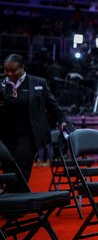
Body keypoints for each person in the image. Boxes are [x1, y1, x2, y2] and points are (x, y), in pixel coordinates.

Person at [0, 54, 70, 189]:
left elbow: (52, 105)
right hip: (5, 134)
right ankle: (10, 198)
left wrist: (63, 120)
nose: (9, 73)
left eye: (13, 70)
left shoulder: (39, 83)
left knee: (21, 163)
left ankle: (19, 199)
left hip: (28, 133)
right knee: (7, 167)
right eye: (6, 70)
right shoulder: (1, 84)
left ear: (22, 68)